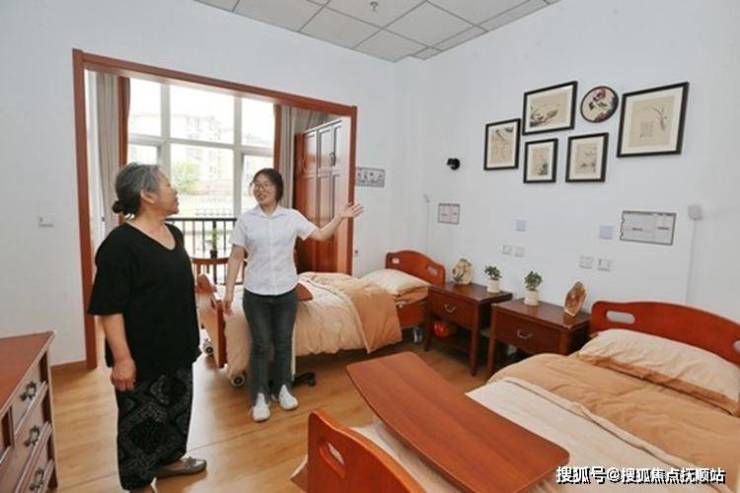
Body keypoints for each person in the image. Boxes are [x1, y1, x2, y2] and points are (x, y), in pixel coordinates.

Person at [88, 164, 206, 493]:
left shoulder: (174, 234)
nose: (175, 189)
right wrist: (122, 359)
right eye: (168, 184)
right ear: (148, 195)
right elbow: (109, 308)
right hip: (143, 355)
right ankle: (139, 483)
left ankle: (169, 461)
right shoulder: (119, 245)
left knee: (177, 411)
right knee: (141, 422)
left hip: (178, 346)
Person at [223, 168, 363, 423]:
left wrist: (340, 217)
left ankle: (283, 389)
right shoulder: (246, 220)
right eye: (256, 185)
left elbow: (321, 235)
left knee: (284, 342)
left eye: (266, 184)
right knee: (261, 344)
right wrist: (230, 290)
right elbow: (235, 256)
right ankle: (259, 397)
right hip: (256, 293)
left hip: (286, 292)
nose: (260, 189)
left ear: (278, 189)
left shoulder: (292, 217)